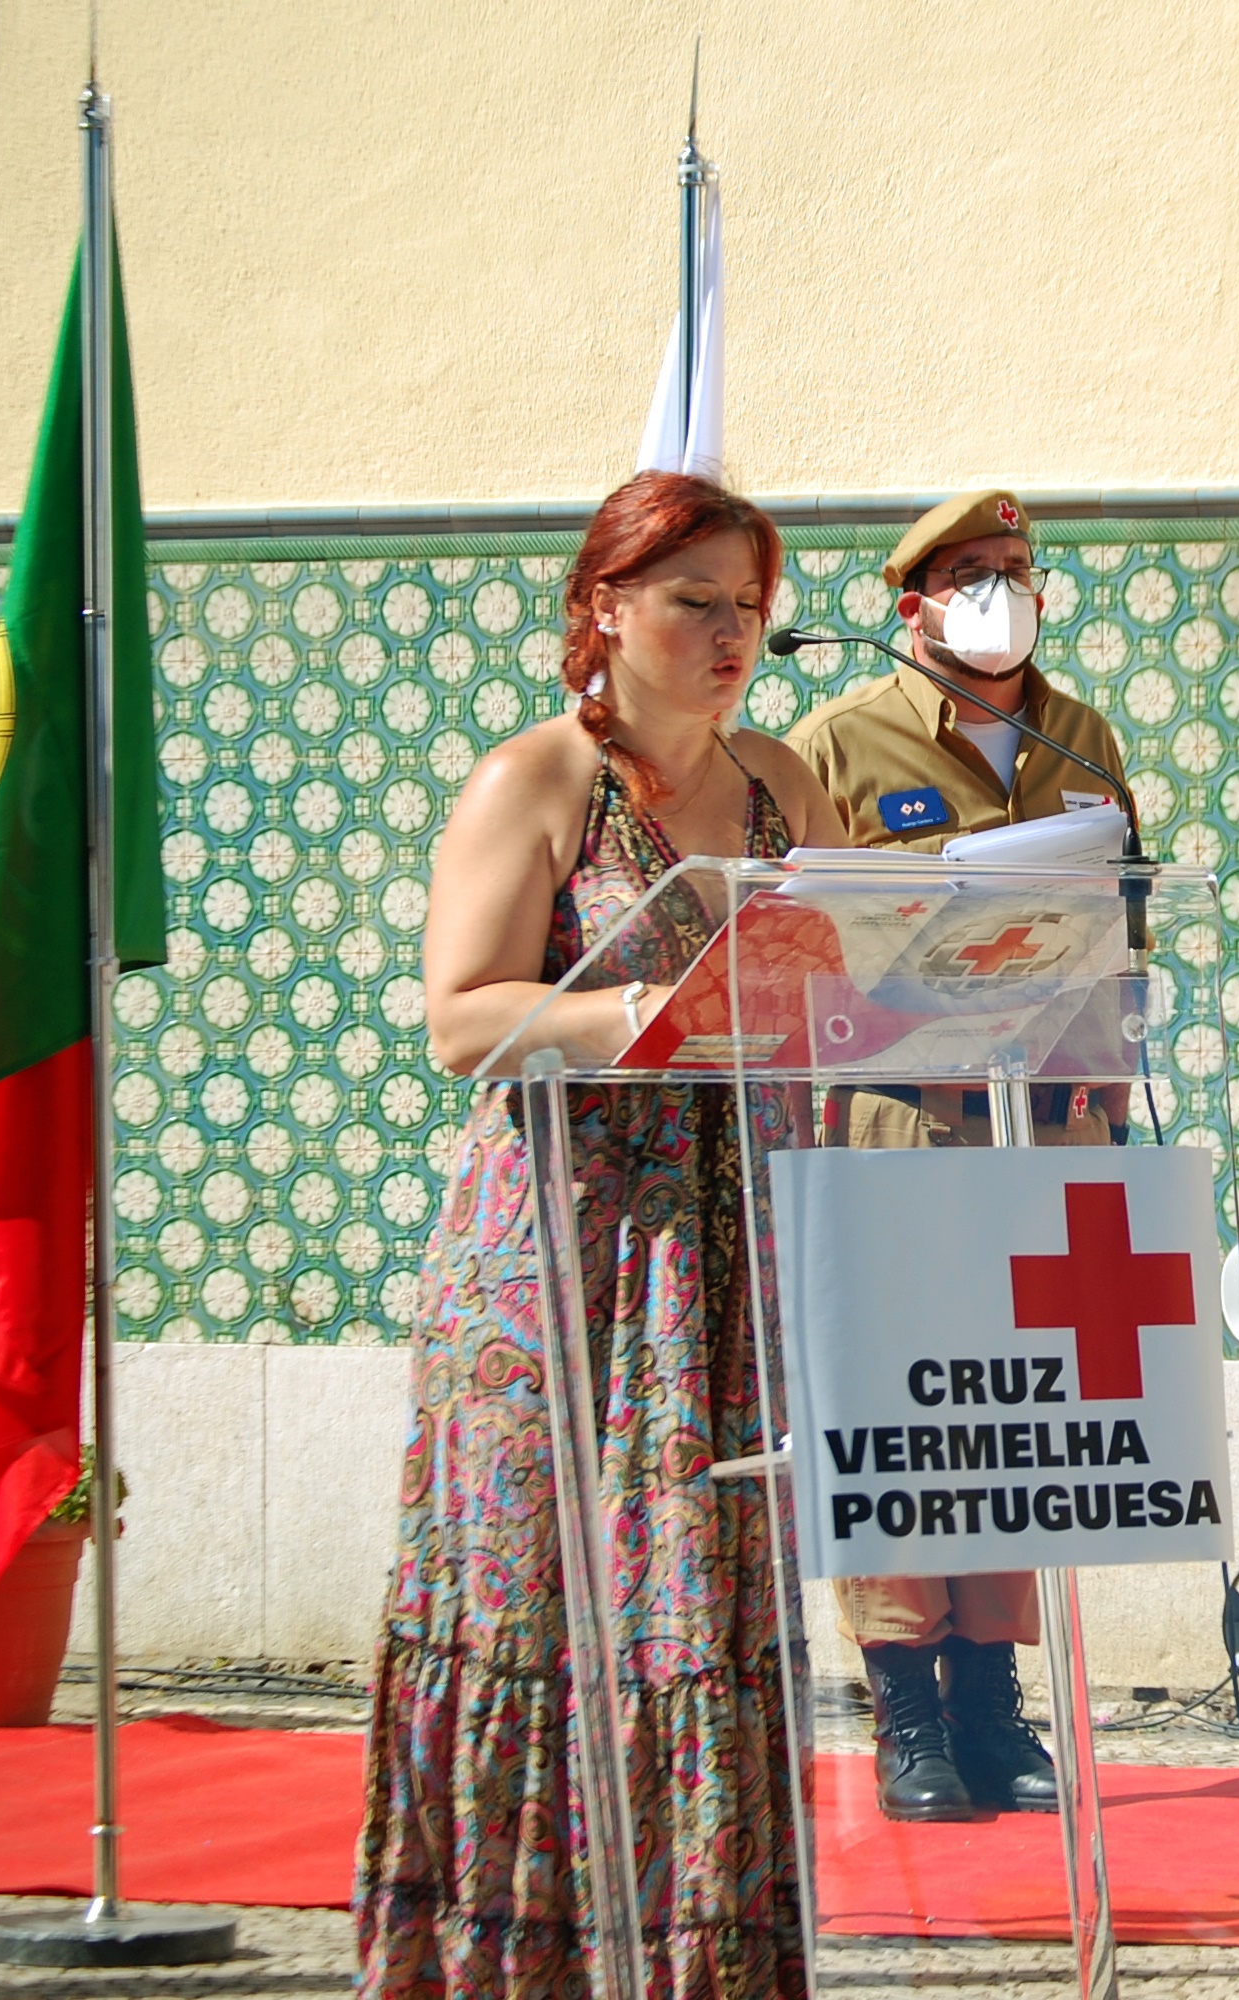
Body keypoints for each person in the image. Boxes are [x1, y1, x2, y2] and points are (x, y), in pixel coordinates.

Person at [359, 471, 848, 2000]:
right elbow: (459, 1020)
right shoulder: (537, 780)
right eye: (695, 601)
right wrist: (645, 1010)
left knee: (701, 1606)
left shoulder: (785, 787)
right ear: (605, 607)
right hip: (561, 1262)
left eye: (750, 605)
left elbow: (838, 986)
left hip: (725, 1266)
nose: (731, 634)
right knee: (540, 1604)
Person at [784, 489, 1132, 1822]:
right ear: (911, 604)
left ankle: (991, 1703)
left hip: (1047, 1122)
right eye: (972, 571)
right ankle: (906, 1711)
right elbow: (798, 944)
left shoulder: (1079, 735)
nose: (1003, 590)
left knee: (1008, 1415)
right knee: (897, 1413)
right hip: (901, 1119)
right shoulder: (836, 741)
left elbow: (1129, 926)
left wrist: (1109, 1107)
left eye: (1018, 567)